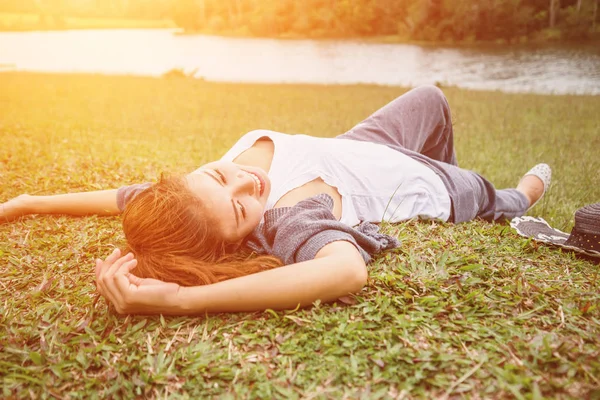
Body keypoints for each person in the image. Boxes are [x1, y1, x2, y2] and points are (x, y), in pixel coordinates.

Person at [0, 86, 550, 315]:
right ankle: (516, 199)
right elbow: (343, 272)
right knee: (493, 194)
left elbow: (122, 197)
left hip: (356, 146)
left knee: (430, 97)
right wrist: (177, 302)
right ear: (239, 238)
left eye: (221, 176)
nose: (246, 185)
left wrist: (27, 202)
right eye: (241, 210)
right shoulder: (293, 215)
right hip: (434, 186)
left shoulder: (192, 197)